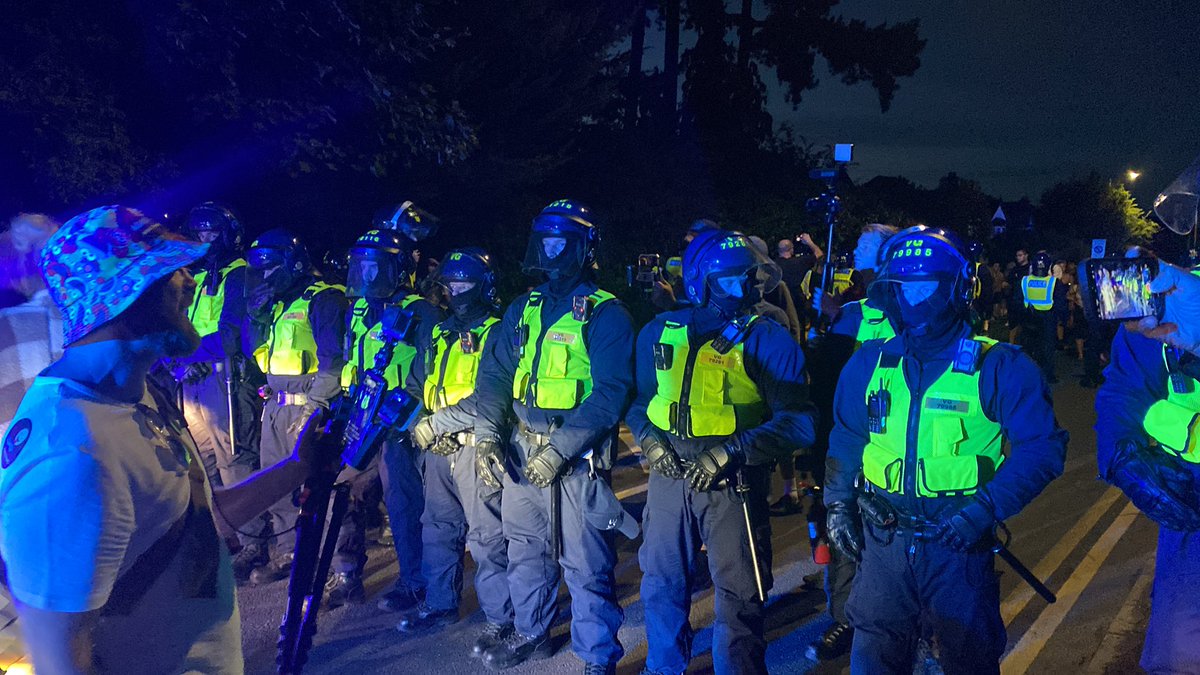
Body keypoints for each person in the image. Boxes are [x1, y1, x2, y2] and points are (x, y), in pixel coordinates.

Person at [0, 205, 326, 674]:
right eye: (169, 271)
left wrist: (296, 467)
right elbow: (59, 660)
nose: (189, 280)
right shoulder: (70, 456)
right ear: (123, 299)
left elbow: (194, 519)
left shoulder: (136, 396)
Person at [825, 225, 1067, 674]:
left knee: (967, 659)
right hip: (883, 540)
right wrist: (837, 502)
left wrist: (984, 510)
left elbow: (1043, 449)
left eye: (926, 285)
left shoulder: (1000, 365)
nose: (914, 299)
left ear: (958, 288)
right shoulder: (868, 362)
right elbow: (847, 435)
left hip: (957, 543)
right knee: (873, 659)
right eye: (903, 287)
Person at [627, 229, 816, 674]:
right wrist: (650, 440)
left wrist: (732, 452)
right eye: (730, 280)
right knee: (661, 584)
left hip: (732, 483)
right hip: (669, 476)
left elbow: (800, 421)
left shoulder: (767, 338)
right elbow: (640, 403)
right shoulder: (660, 330)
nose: (744, 289)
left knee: (739, 594)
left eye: (749, 279)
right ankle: (664, 667)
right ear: (700, 282)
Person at [473, 199, 635, 673]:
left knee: (585, 562)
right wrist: (486, 436)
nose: (551, 250)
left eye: (562, 241)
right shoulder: (524, 307)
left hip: (576, 458)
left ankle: (597, 657)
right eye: (545, 240)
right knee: (525, 549)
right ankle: (532, 633)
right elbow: (495, 376)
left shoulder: (606, 314)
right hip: (523, 451)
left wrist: (561, 450)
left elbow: (610, 393)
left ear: (585, 248)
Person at [400, 249, 514, 650]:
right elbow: (419, 385)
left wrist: (436, 424)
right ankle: (440, 603)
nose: (457, 291)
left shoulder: (498, 331)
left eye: (465, 284)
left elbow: (491, 397)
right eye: (451, 285)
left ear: (484, 285)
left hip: (475, 447)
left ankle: (502, 618)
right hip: (438, 446)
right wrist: (423, 425)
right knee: (437, 528)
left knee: (486, 537)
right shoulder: (440, 331)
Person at [1096, 261, 1200, 672]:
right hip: (1192, 507)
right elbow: (1125, 386)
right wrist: (1120, 453)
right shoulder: (1174, 297)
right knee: (1178, 657)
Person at [801, 222, 898, 661]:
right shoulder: (851, 312)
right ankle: (845, 617)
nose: (859, 253)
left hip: (893, 444)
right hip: (846, 439)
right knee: (841, 531)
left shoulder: (905, 309)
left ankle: (894, 622)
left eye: (867, 247)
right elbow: (826, 384)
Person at [333, 229, 443, 609]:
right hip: (363, 417)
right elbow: (352, 361)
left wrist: (402, 408)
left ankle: (415, 580)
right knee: (347, 493)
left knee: (404, 504)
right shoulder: (360, 310)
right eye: (361, 266)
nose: (366, 274)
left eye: (374, 266)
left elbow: (429, 370)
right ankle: (347, 574)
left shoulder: (420, 311)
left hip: (399, 425)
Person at [243, 229, 348, 585]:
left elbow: (335, 361)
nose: (265, 276)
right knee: (277, 487)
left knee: (326, 490)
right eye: (260, 269)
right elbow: (260, 356)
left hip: (309, 407)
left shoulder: (323, 300)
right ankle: (291, 552)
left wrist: (315, 408)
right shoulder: (279, 306)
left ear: (293, 264)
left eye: (271, 268)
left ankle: (343, 572)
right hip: (276, 409)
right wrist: (255, 320)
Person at [175, 203, 267, 575]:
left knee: (235, 462)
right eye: (199, 234)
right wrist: (177, 358)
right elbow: (179, 323)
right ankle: (227, 536)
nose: (204, 241)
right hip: (192, 377)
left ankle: (255, 543)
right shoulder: (193, 276)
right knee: (204, 464)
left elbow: (230, 335)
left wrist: (183, 350)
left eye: (212, 234)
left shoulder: (237, 273)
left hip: (223, 377)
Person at [1020, 251, 1067, 383]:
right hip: (1048, 319)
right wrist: (1063, 320)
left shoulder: (1025, 280)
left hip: (1029, 318)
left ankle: (1028, 374)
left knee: (1030, 348)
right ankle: (1047, 376)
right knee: (1047, 348)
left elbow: (1017, 301)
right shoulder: (1053, 282)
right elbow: (1061, 303)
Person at [1007, 248, 1031, 343]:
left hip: (1027, 300)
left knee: (1025, 324)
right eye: (1017, 256)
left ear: (1026, 255)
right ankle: (1011, 343)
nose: (1018, 258)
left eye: (1020, 255)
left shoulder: (1030, 269)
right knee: (1013, 323)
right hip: (1015, 300)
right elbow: (1010, 282)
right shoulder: (1015, 269)